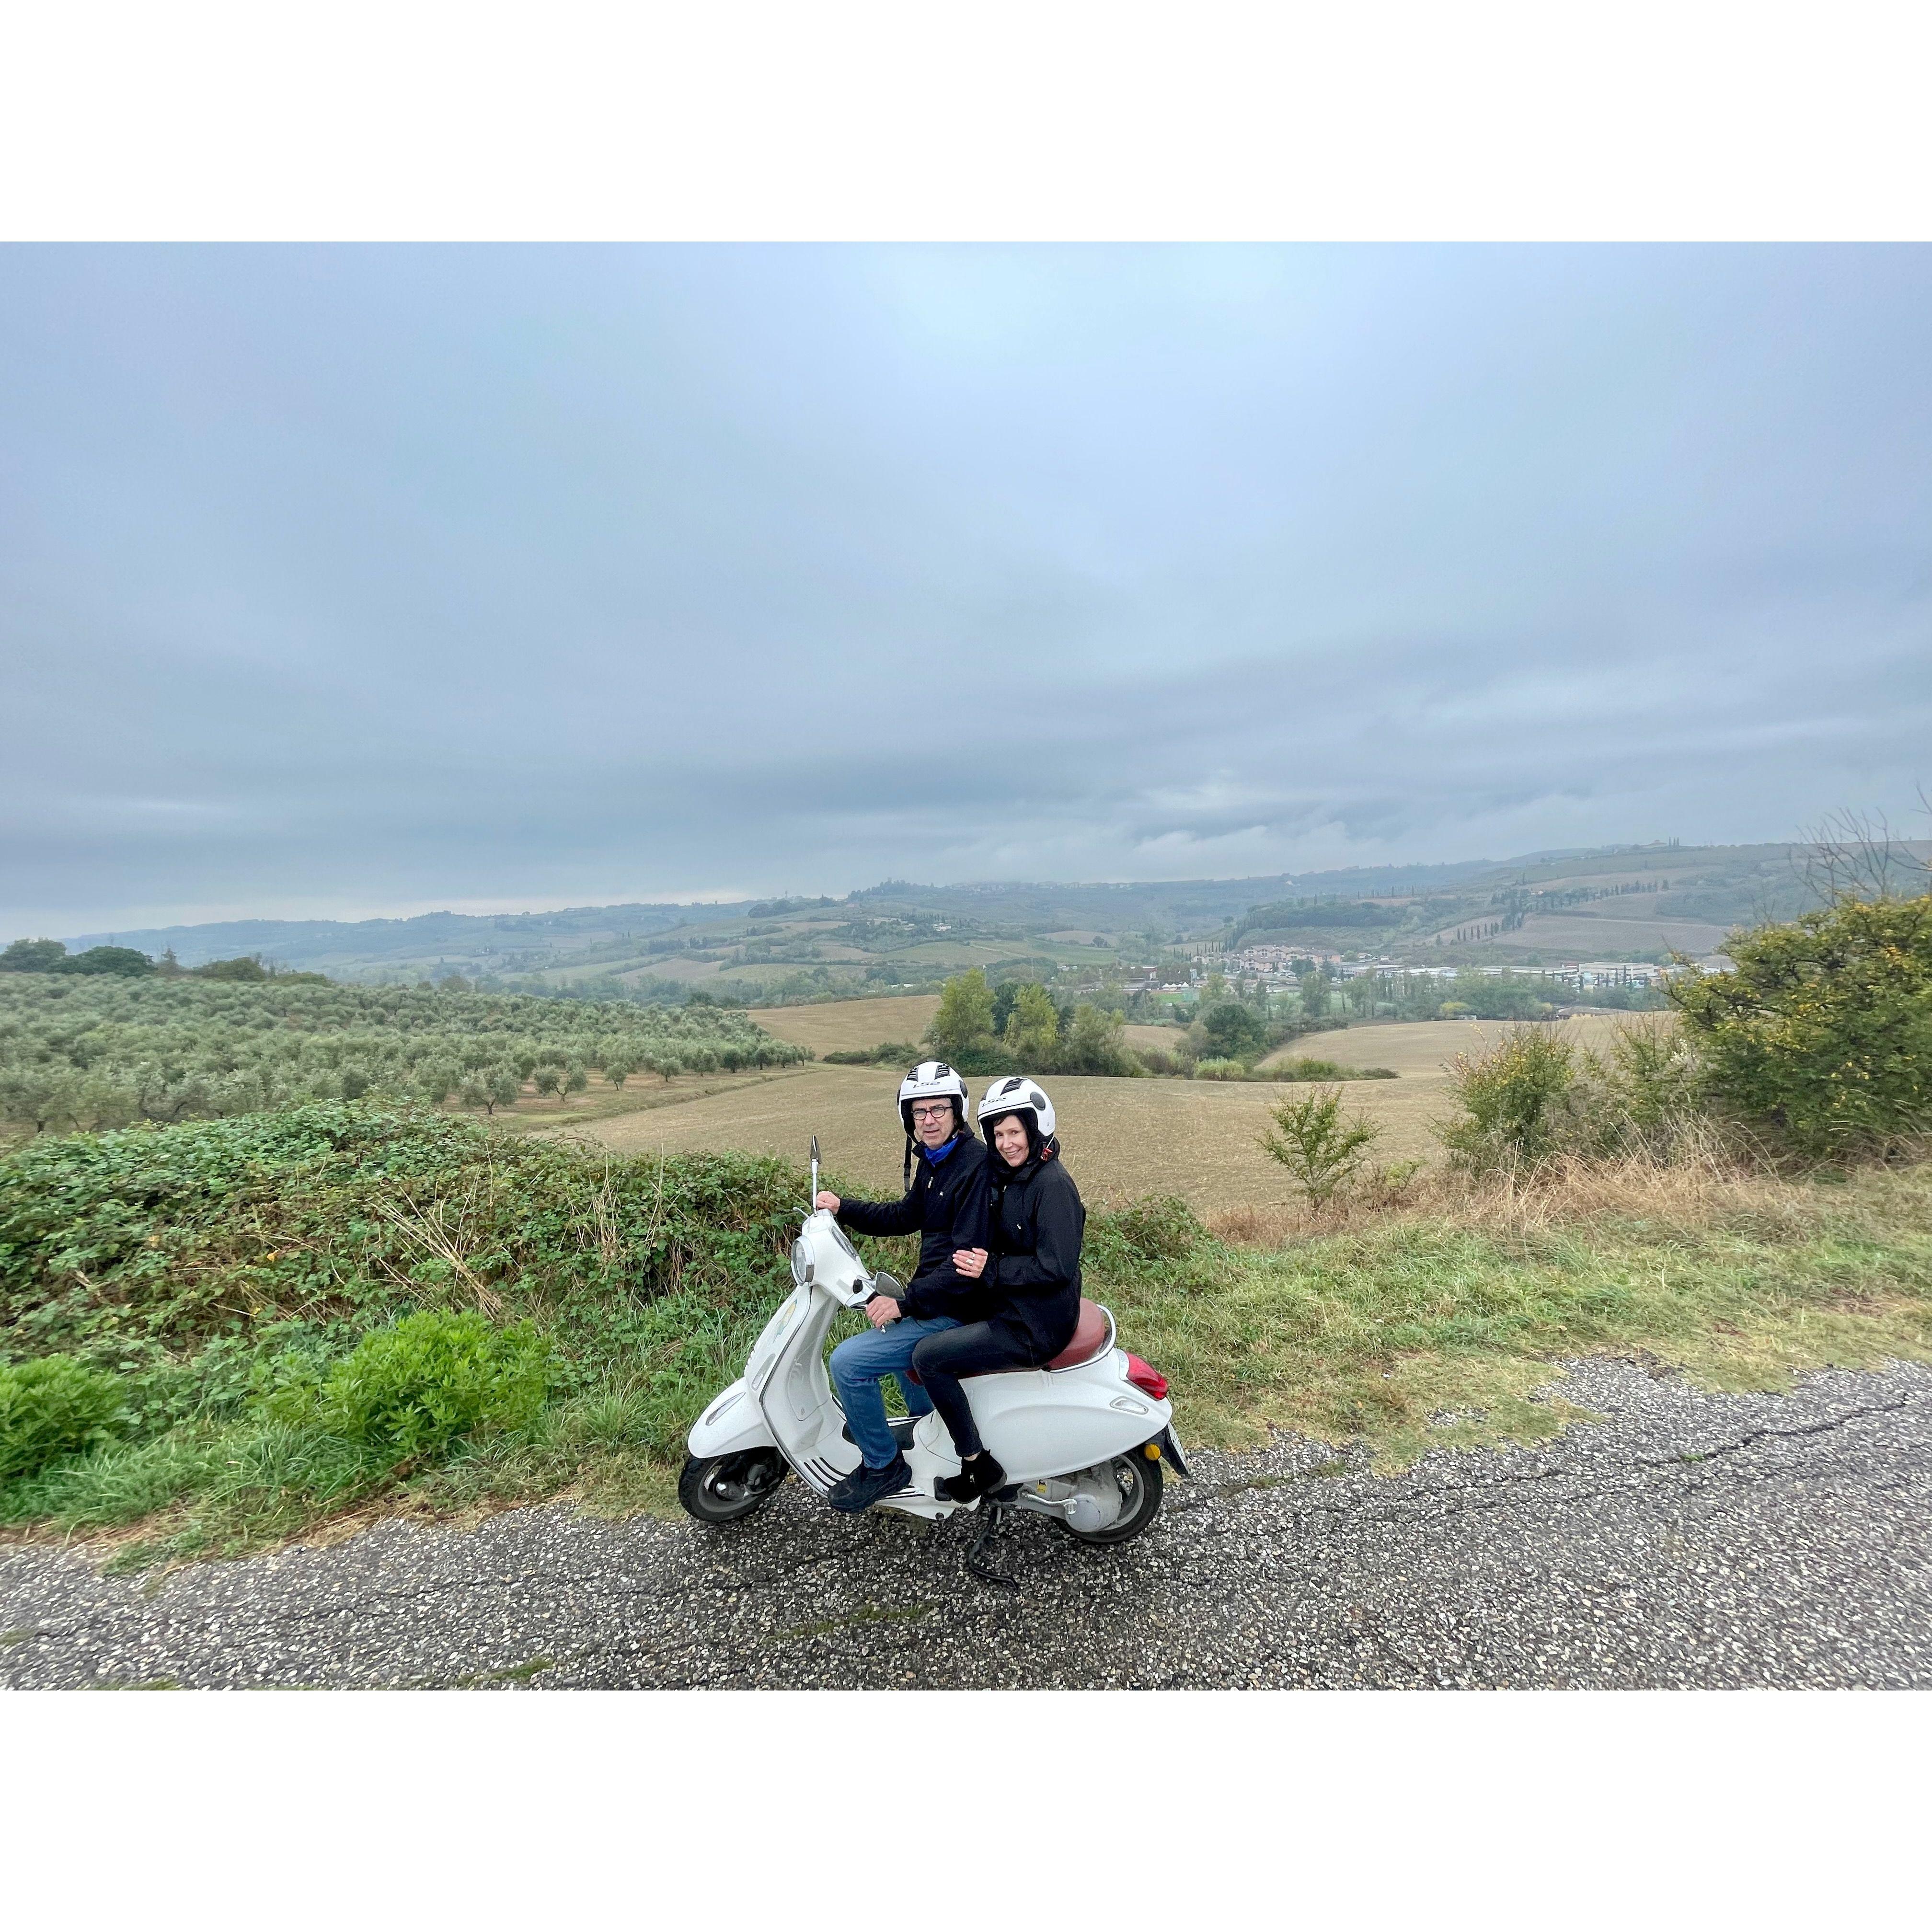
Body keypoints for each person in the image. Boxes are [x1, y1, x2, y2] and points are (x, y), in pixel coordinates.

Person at [813, 1061, 993, 1512]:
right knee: (891, 1341)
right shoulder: (936, 1163)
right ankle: (927, 1426)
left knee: (849, 1363)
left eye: (938, 1110)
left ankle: (883, 1465)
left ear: (957, 1113)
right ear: (907, 1117)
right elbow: (903, 1216)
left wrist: (905, 1304)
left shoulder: (973, 1168)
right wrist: (842, 1208)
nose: (928, 1119)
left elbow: (963, 1270)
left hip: (960, 1308)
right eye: (919, 1112)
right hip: (935, 1300)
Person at [911, 1075, 1084, 1502]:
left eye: (1014, 1132)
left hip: (1032, 1327)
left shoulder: (1053, 1187)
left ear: (1035, 1129)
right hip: (1016, 1308)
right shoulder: (1017, 1177)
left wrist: (992, 1269)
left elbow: (1056, 1267)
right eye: (998, 1134)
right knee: (939, 1327)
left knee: (928, 1357)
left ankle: (977, 1465)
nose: (1006, 1143)